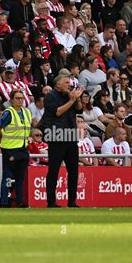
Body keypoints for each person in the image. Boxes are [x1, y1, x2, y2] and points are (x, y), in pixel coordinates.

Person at [41, 75, 84, 208]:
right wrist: (71, 100)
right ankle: (51, 202)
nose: (69, 85)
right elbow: (58, 112)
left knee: (73, 170)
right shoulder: (50, 97)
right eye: (66, 82)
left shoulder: (69, 96)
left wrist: (76, 98)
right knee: (54, 170)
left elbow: (79, 109)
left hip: (71, 136)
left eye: (70, 83)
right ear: (57, 85)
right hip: (56, 136)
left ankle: (72, 201)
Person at [0, 89, 32, 208]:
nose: (20, 101)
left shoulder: (27, 112)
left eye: (21, 98)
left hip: (22, 148)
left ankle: (20, 202)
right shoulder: (9, 113)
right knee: (8, 176)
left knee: (20, 177)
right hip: (10, 148)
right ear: (11, 100)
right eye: (17, 98)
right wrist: (2, 137)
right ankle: (4, 202)